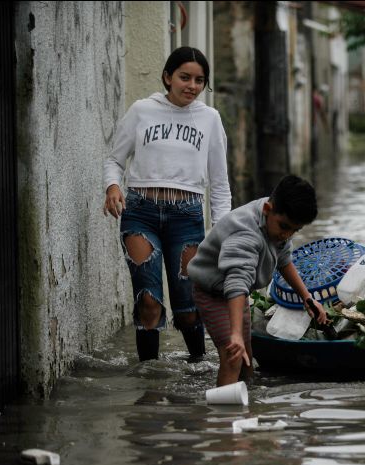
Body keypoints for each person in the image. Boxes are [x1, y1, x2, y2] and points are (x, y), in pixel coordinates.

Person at [103, 46, 231, 362]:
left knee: (188, 308)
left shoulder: (210, 119)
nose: (192, 86)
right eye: (184, 77)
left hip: (187, 218)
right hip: (140, 214)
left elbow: (219, 183)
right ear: (167, 77)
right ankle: (149, 377)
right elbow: (115, 160)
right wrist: (112, 187)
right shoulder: (142, 110)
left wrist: (222, 232)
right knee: (148, 301)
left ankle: (198, 368)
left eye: (199, 80)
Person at [187, 174, 328, 386]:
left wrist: (307, 298)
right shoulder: (245, 232)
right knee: (233, 355)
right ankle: (221, 407)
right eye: (284, 227)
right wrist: (235, 335)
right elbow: (236, 283)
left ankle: (248, 400)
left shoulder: (276, 221)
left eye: (295, 230)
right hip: (213, 293)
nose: (287, 235)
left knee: (246, 359)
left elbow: (284, 260)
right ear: (267, 210)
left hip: (238, 294)